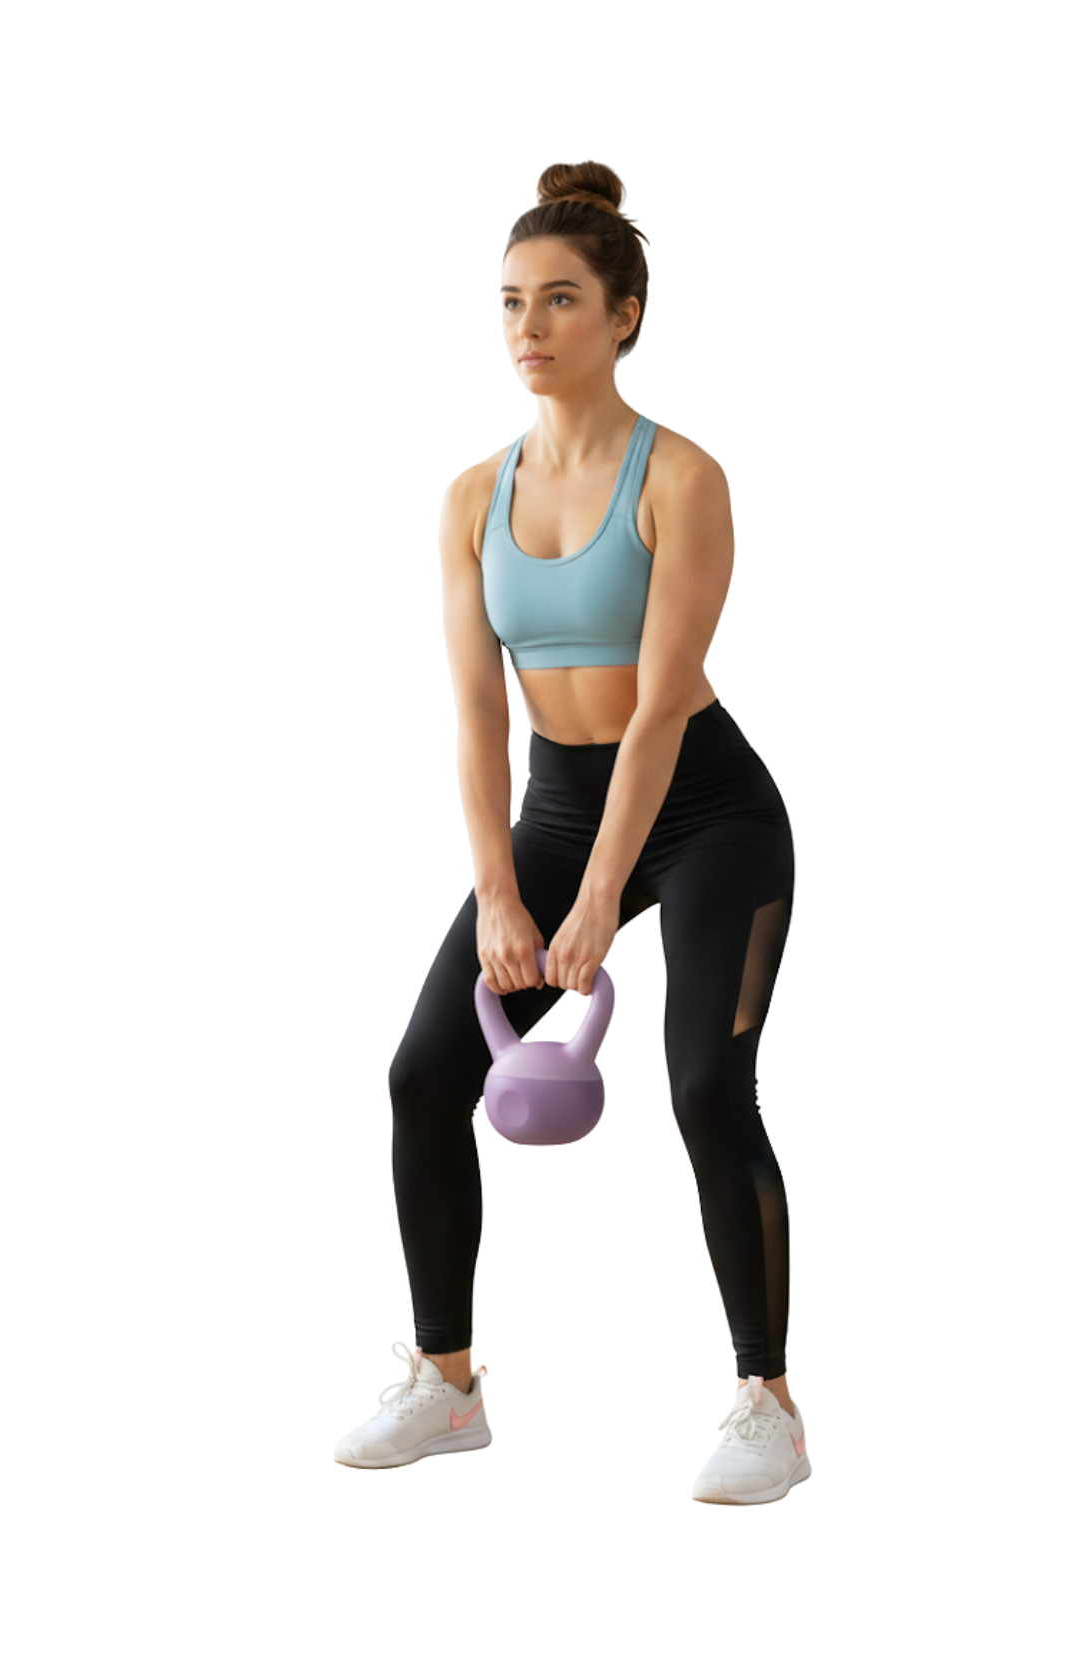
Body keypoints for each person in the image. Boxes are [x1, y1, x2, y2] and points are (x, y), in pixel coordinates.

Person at [337, 160, 806, 1506]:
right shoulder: (469, 495)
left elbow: (662, 709)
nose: (528, 327)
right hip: (546, 801)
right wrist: (499, 890)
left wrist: (601, 895)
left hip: (706, 812)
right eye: (507, 303)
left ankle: (764, 1401)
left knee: (703, 1091)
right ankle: (445, 1381)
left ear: (626, 317)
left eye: (558, 300)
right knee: (421, 1070)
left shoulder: (686, 477)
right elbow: (475, 715)